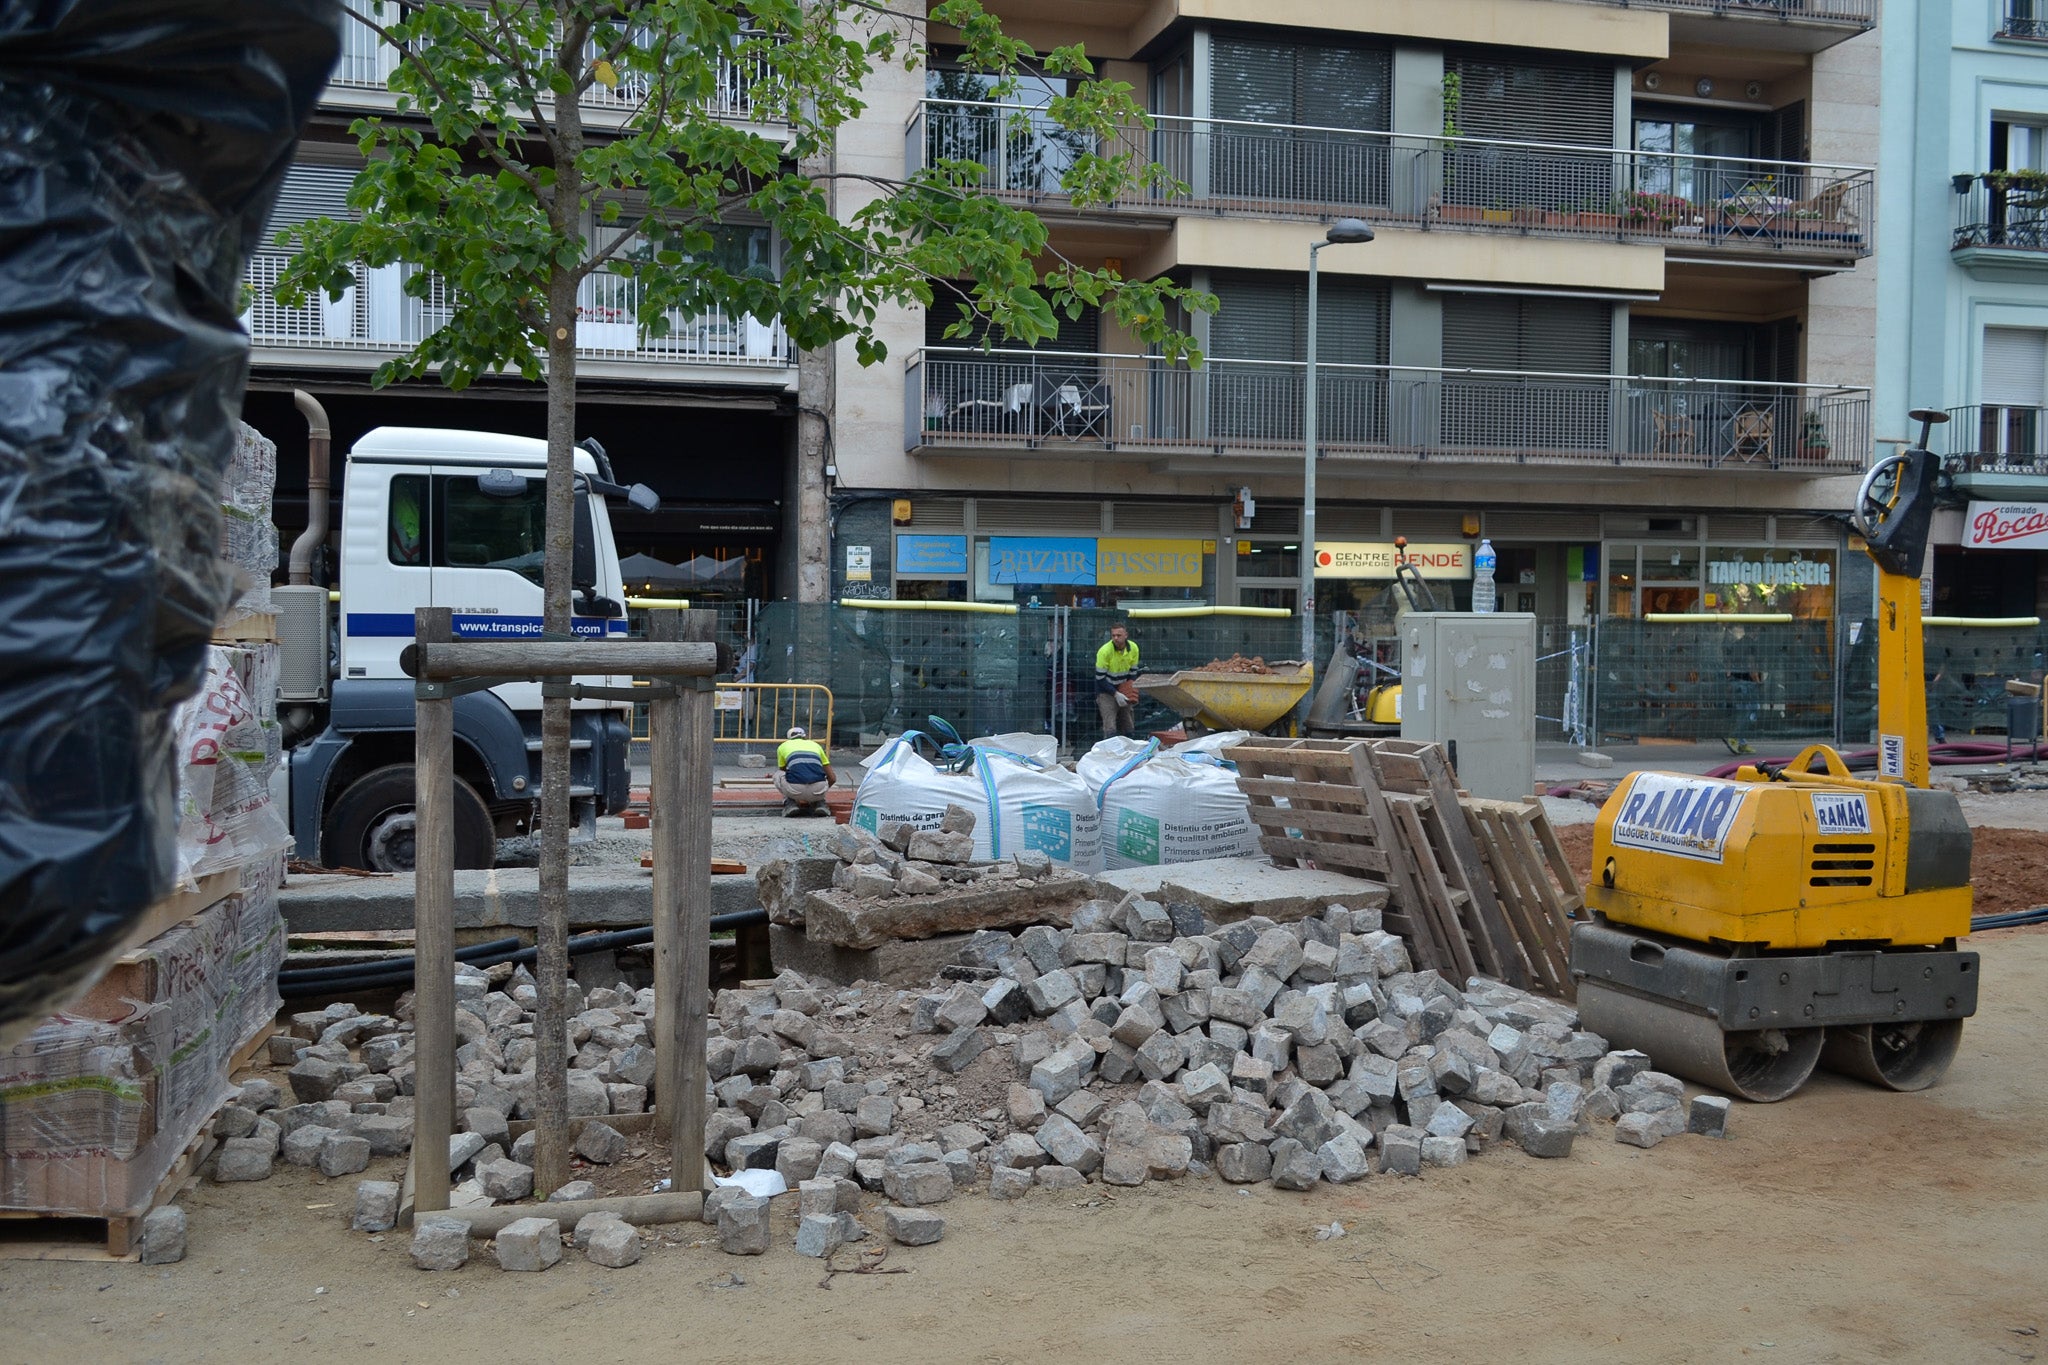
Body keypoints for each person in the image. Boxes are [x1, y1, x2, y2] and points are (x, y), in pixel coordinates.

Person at [775, 725, 834, 817]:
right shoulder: (816, 745)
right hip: (818, 790)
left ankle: (790, 803)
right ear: (804, 737)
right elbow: (832, 778)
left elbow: (783, 771)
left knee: (778, 774)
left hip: (795, 791)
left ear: (789, 738)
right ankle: (820, 802)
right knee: (820, 776)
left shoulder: (783, 746)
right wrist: (821, 792)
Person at [1095, 621, 1140, 739]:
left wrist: (1129, 690)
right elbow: (1100, 679)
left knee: (1128, 724)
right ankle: (1111, 754)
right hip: (1106, 691)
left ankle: (1130, 752)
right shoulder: (1104, 651)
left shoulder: (1134, 648)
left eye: (1118, 635)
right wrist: (1115, 694)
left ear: (1126, 635)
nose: (1115, 638)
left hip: (1123, 688)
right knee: (1110, 727)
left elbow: (1133, 673)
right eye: (1113, 635)